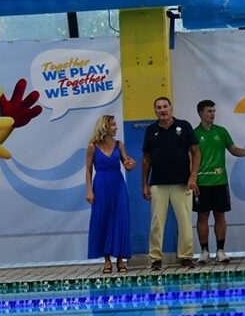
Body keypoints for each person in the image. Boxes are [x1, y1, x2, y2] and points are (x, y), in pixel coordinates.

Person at [194, 100, 245, 262]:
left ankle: (220, 251)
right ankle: (204, 252)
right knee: (202, 216)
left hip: (220, 182)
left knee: (220, 215)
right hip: (201, 183)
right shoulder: (194, 134)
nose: (212, 114)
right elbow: (189, 158)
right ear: (201, 113)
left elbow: (234, 150)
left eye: (213, 111)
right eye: (209, 111)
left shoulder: (221, 132)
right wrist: (192, 178)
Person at [142, 96, 200, 270]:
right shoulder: (151, 130)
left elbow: (196, 152)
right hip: (158, 184)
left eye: (165, 106)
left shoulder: (184, 126)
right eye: (158, 107)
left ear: (171, 108)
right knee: (157, 224)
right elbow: (146, 159)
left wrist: (193, 177)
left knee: (185, 222)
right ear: (155, 111)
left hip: (182, 183)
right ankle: (155, 259)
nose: (162, 110)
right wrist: (144, 184)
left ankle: (186, 257)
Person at [85, 115, 135, 273]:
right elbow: (88, 170)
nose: (116, 127)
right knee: (102, 221)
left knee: (120, 221)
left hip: (118, 186)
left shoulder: (119, 145)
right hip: (100, 186)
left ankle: (120, 260)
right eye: (113, 125)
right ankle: (107, 261)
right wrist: (89, 190)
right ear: (105, 127)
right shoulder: (92, 146)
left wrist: (131, 164)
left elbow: (127, 165)